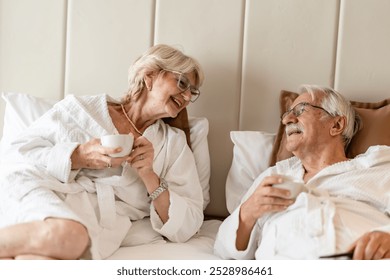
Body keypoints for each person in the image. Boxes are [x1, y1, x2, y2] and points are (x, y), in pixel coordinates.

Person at [0, 44, 205, 260]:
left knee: (37, 261)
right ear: (150, 75)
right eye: (182, 83)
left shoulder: (173, 144)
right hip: (41, 194)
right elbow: (14, 154)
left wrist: (149, 176)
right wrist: (77, 156)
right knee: (69, 236)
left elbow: (189, 222)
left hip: (95, 225)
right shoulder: (81, 109)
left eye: (193, 92)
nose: (187, 97)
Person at [214, 85, 390, 260]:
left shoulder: (376, 166)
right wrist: (248, 212)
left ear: (336, 124)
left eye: (300, 110)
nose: (287, 120)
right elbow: (224, 250)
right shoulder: (273, 176)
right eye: (286, 114)